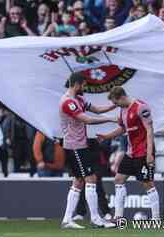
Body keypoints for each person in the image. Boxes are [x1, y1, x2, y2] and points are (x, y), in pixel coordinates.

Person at [59, 72, 117, 229]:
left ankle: (67, 220)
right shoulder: (67, 102)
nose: (84, 87)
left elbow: (96, 110)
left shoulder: (78, 99)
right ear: (77, 84)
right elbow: (87, 119)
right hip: (74, 146)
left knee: (78, 181)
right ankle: (95, 219)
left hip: (79, 145)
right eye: (84, 85)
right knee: (90, 178)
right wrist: (111, 119)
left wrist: (115, 104)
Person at [97, 86, 160, 220]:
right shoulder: (123, 110)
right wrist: (107, 136)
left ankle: (156, 219)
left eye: (115, 102)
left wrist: (149, 154)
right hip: (131, 152)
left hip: (144, 151)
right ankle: (118, 217)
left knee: (147, 183)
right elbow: (122, 129)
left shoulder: (141, 107)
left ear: (122, 97)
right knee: (118, 179)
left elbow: (149, 129)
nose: (115, 105)